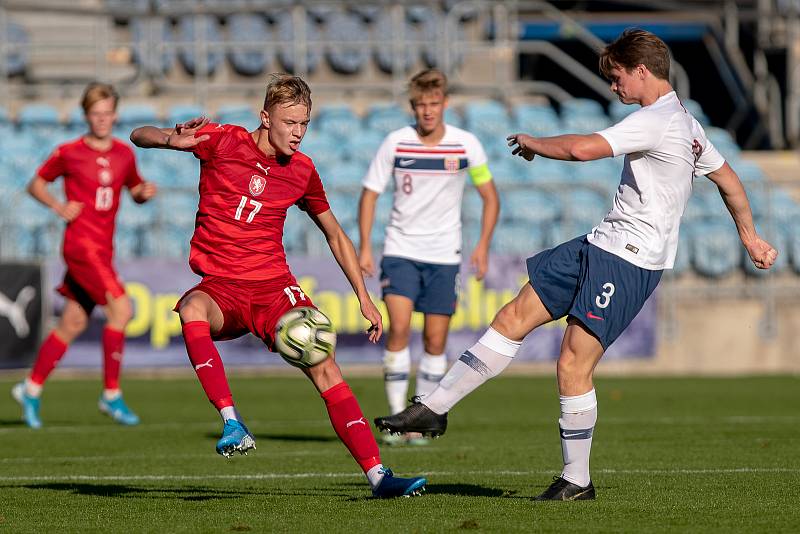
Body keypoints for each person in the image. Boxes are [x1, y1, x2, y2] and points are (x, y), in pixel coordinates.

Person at [375, 29, 778, 500]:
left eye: (617, 77)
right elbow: (728, 180)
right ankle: (433, 407)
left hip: (629, 259)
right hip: (599, 242)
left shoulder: (660, 120)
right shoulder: (686, 124)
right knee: (511, 317)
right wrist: (749, 236)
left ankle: (577, 479)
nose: (612, 87)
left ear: (641, 71)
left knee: (572, 364)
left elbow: (583, 150)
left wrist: (533, 141)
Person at [130, 74, 426, 498]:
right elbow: (137, 134)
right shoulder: (223, 140)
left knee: (325, 366)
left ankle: (380, 476)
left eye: (304, 124)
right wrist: (168, 139)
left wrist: (364, 296)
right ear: (265, 117)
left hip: (274, 288)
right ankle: (232, 421)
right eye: (290, 123)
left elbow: (335, 235)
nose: (298, 133)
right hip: (223, 286)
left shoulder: (302, 171)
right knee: (192, 310)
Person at [358, 69, 499, 445]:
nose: (427, 111)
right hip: (401, 250)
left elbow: (490, 196)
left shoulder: (466, 145)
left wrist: (482, 244)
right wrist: (366, 246)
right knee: (400, 328)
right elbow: (370, 193)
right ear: (413, 106)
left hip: (444, 255)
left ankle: (419, 418)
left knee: (435, 342)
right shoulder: (396, 143)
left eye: (434, 104)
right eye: (421, 105)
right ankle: (394, 422)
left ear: (444, 104)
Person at [12, 82, 157, 429]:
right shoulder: (69, 152)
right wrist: (58, 206)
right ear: (86, 115)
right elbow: (35, 184)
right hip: (80, 246)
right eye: (95, 114)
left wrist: (144, 194)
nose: (102, 120)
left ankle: (30, 389)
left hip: (104, 249)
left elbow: (134, 188)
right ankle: (111, 395)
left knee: (73, 322)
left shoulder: (124, 153)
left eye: (107, 113)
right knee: (122, 308)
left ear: (115, 115)